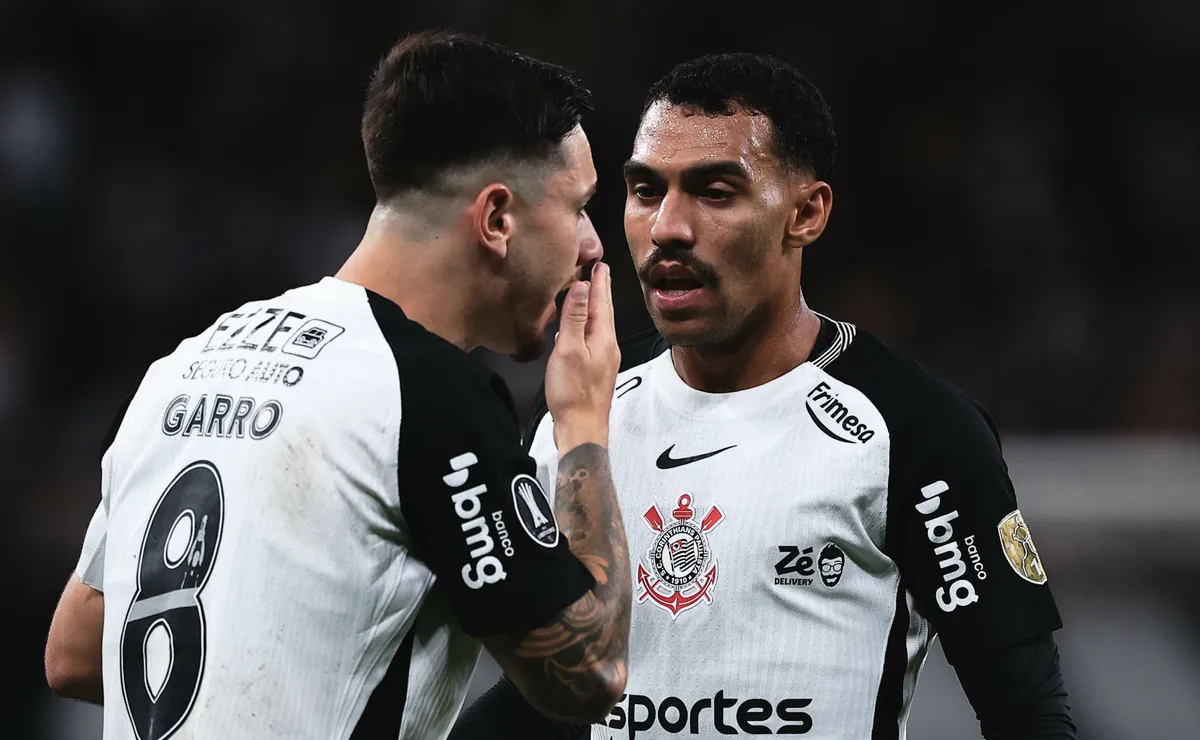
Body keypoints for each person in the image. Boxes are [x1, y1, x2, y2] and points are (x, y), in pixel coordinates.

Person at [450, 53, 1077, 739]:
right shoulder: (579, 412)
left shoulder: (916, 429)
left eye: (715, 192)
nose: (667, 227)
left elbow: (1029, 714)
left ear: (806, 213)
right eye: (646, 191)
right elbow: (543, 694)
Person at [43, 31, 633, 740]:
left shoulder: (183, 365)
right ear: (497, 218)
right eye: (578, 207)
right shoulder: (428, 392)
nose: (593, 243)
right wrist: (583, 425)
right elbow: (588, 671)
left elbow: (76, 649)